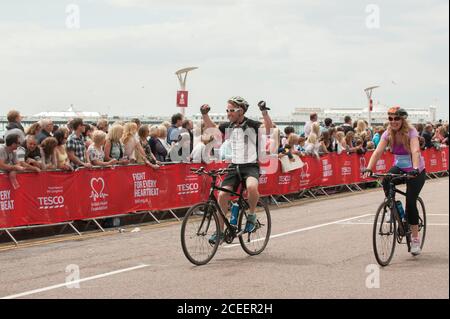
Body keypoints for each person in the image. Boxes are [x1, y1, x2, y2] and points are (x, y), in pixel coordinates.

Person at [200, 97, 274, 244]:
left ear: (241, 111)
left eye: (231, 110)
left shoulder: (252, 124)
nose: (228, 113)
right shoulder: (228, 126)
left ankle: (252, 216)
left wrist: (264, 111)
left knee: (252, 187)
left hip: (250, 166)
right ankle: (220, 231)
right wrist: (204, 114)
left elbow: (268, 129)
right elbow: (211, 128)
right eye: (227, 110)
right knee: (222, 195)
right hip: (234, 166)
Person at [363, 107, 426, 256]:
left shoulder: (411, 132)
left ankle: (415, 239)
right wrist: (369, 168)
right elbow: (377, 151)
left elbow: (416, 151)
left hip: (416, 170)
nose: (393, 122)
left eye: (396, 119)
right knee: (386, 180)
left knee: (410, 202)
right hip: (399, 167)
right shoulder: (387, 133)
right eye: (390, 119)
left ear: (402, 119)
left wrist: (415, 168)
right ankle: (394, 207)